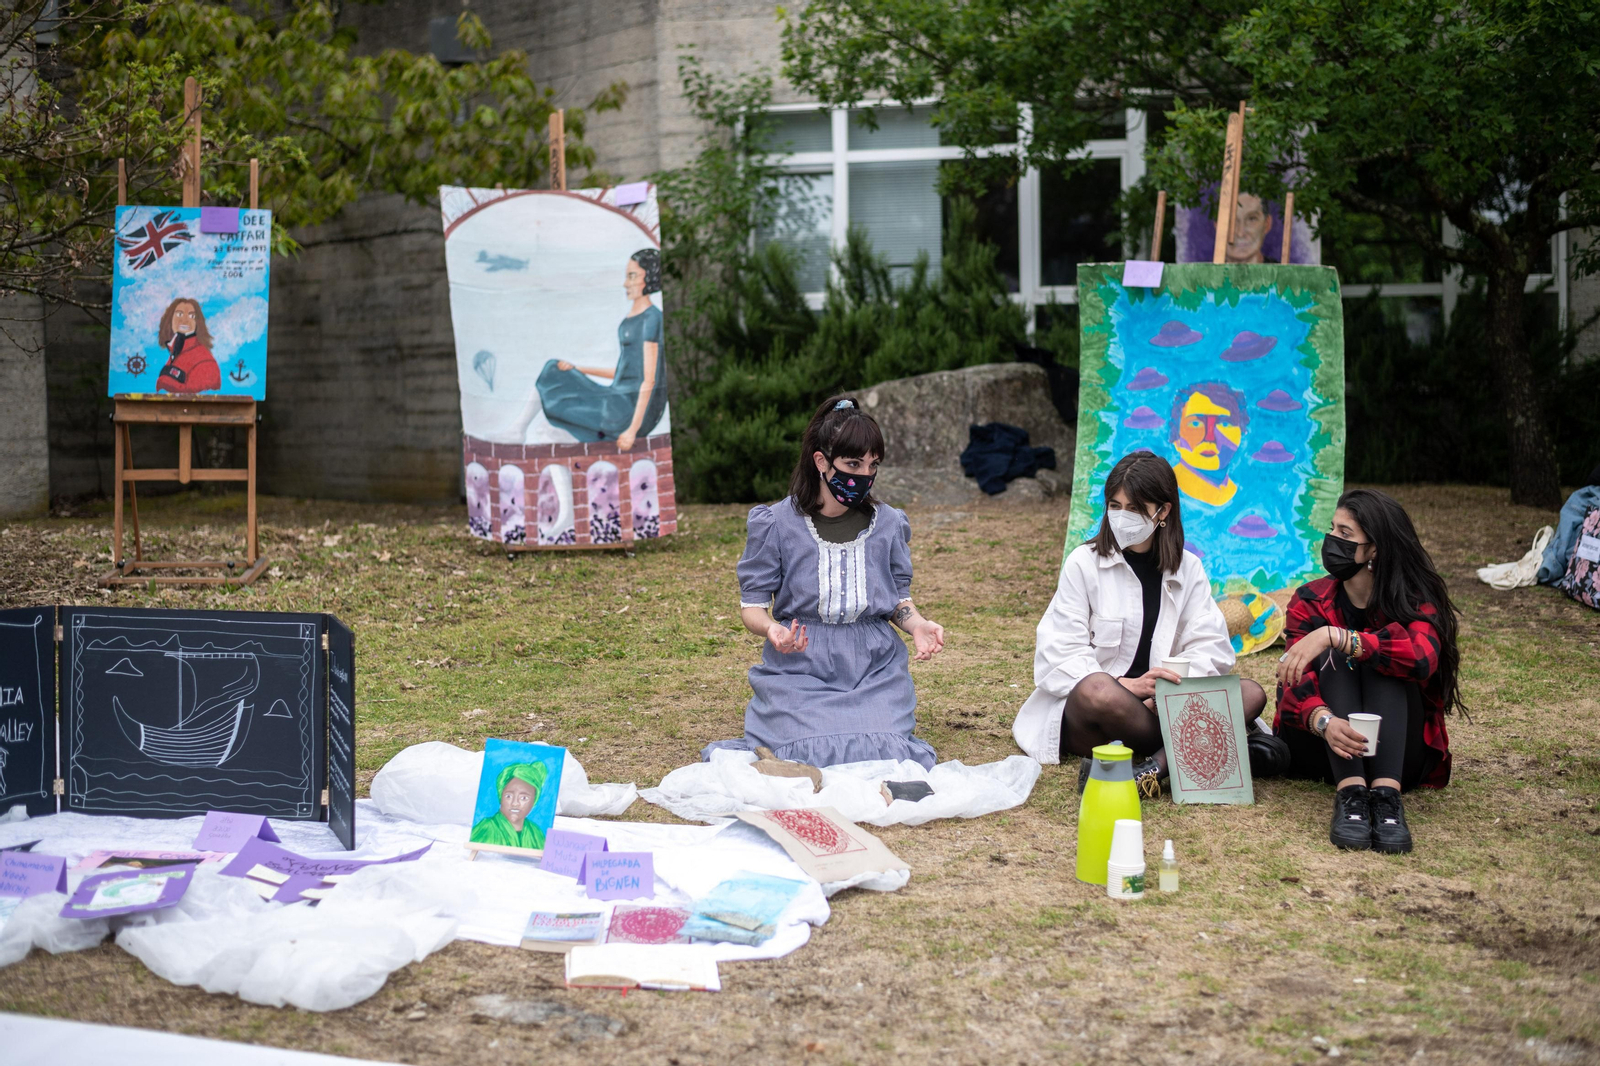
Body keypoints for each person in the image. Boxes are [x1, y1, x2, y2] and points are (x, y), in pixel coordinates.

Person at [702, 396, 946, 769]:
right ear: (821, 461)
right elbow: (752, 607)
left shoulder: (889, 523)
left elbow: (897, 599)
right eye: (853, 463)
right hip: (800, 665)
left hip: (873, 668)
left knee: (882, 750)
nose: (864, 474)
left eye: (872, 465)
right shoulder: (776, 524)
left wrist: (918, 625)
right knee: (801, 751)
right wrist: (773, 632)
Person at [1014, 450, 1269, 795]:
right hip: (1100, 717)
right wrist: (1126, 687)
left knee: (1251, 692)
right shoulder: (1083, 563)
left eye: (1134, 508)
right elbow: (1057, 653)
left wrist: (1165, 693)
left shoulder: (1188, 569)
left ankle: (1152, 769)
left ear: (1163, 512)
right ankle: (1195, 752)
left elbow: (1212, 650)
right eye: (1114, 506)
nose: (1121, 516)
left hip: (1166, 710)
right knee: (1097, 689)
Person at [1275, 489, 1460, 854]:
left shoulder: (1413, 601)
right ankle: (1352, 798)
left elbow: (1422, 658)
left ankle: (1387, 801)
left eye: (1346, 534)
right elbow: (1291, 684)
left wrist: (1337, 636)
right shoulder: (1309, 600)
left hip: (1398, 754)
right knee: (1338, 656)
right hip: (1324, 748)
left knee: (1381, 654)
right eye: (1332, 530)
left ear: (1373, 549)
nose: (1332, 541)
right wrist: (1324, 722)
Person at [497, 248, 667, 449]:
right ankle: (520, 432)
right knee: (550, 429)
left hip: (627, 411)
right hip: (616, 401)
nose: (625, 283)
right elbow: (623, 373)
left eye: (632, 276)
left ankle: (518, 430)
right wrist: (578, 369)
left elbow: (649, 380)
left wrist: (631, 430)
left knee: (551, 372)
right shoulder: (630, 321)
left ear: (649, 277)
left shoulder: (651, 319)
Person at [1168, 382, 1248, 507]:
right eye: (1195, 424)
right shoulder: (1163, 490)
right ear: (1175, 436)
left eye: (1224, 424)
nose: (1209, 438)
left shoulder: (1242, 494)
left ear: (1241, 434)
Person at [470, 762, 549, 849]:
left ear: (534, 801)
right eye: (509, 796)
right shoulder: (486, 829)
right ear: (501, 797)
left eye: (524, 798)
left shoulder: (536, 834)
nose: (515, 803)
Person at [154, 298, 221, 393]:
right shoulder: (176, 351)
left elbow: (196, 397)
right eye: (179, 314)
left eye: (191, 316)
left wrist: (163, 382)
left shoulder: (205, 361)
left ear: (197, 323)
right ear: (170, 319)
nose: (185, 320)